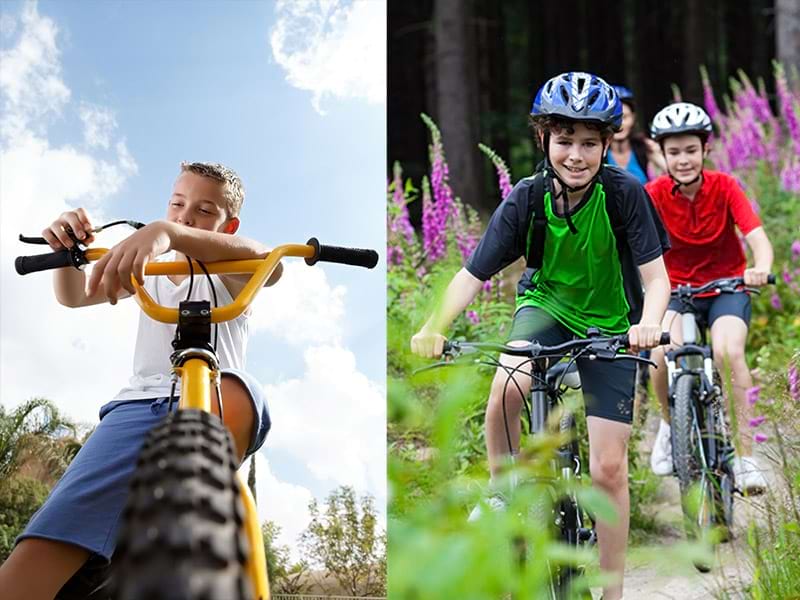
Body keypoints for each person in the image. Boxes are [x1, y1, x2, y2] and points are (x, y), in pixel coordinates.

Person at [410, 71, 671, 600]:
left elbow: (657, 279)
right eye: (564, 140)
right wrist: (433, 326)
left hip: (614, 322)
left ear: (605, 144)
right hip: (544, 306)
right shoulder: (527, 198)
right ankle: (504, 486)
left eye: (589, 143)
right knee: (508, 381)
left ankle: (613, 592)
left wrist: (648, 323)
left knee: (608, 469)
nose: (576, 154)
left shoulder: (625, 194)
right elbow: (470, 275)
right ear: (544, 139)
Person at [0, 162, 280, 600]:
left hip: (215, 395)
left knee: (241, 392)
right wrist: (69, 250)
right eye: (176, 205)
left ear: (229, 224)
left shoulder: (232, 269)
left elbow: (270, 262)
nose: (186, 216)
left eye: (205, 210)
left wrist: (166, 232)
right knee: (38, 557)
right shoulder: (148, 267)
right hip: (138, 408)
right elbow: (73, 296)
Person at [644, 102, 774, 493]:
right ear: (662, 155)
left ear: (704, 150)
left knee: (728, 352)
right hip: (676, 292)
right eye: (674, 152)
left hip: (726, 289)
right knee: (659, 353)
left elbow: (756, 237)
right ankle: (671, 424)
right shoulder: (652, 195)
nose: (682, 160)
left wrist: (759, 266)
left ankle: (747, 458)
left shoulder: (725, 186)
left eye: (690, 150)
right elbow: (636, 248)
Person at [608, 85, 666, 183]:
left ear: (633, 118)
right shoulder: (599, 153)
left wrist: (657, 152)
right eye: (614, 118)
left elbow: (672, 174)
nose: (620, 124)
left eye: (625, 117)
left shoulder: (645, 149)